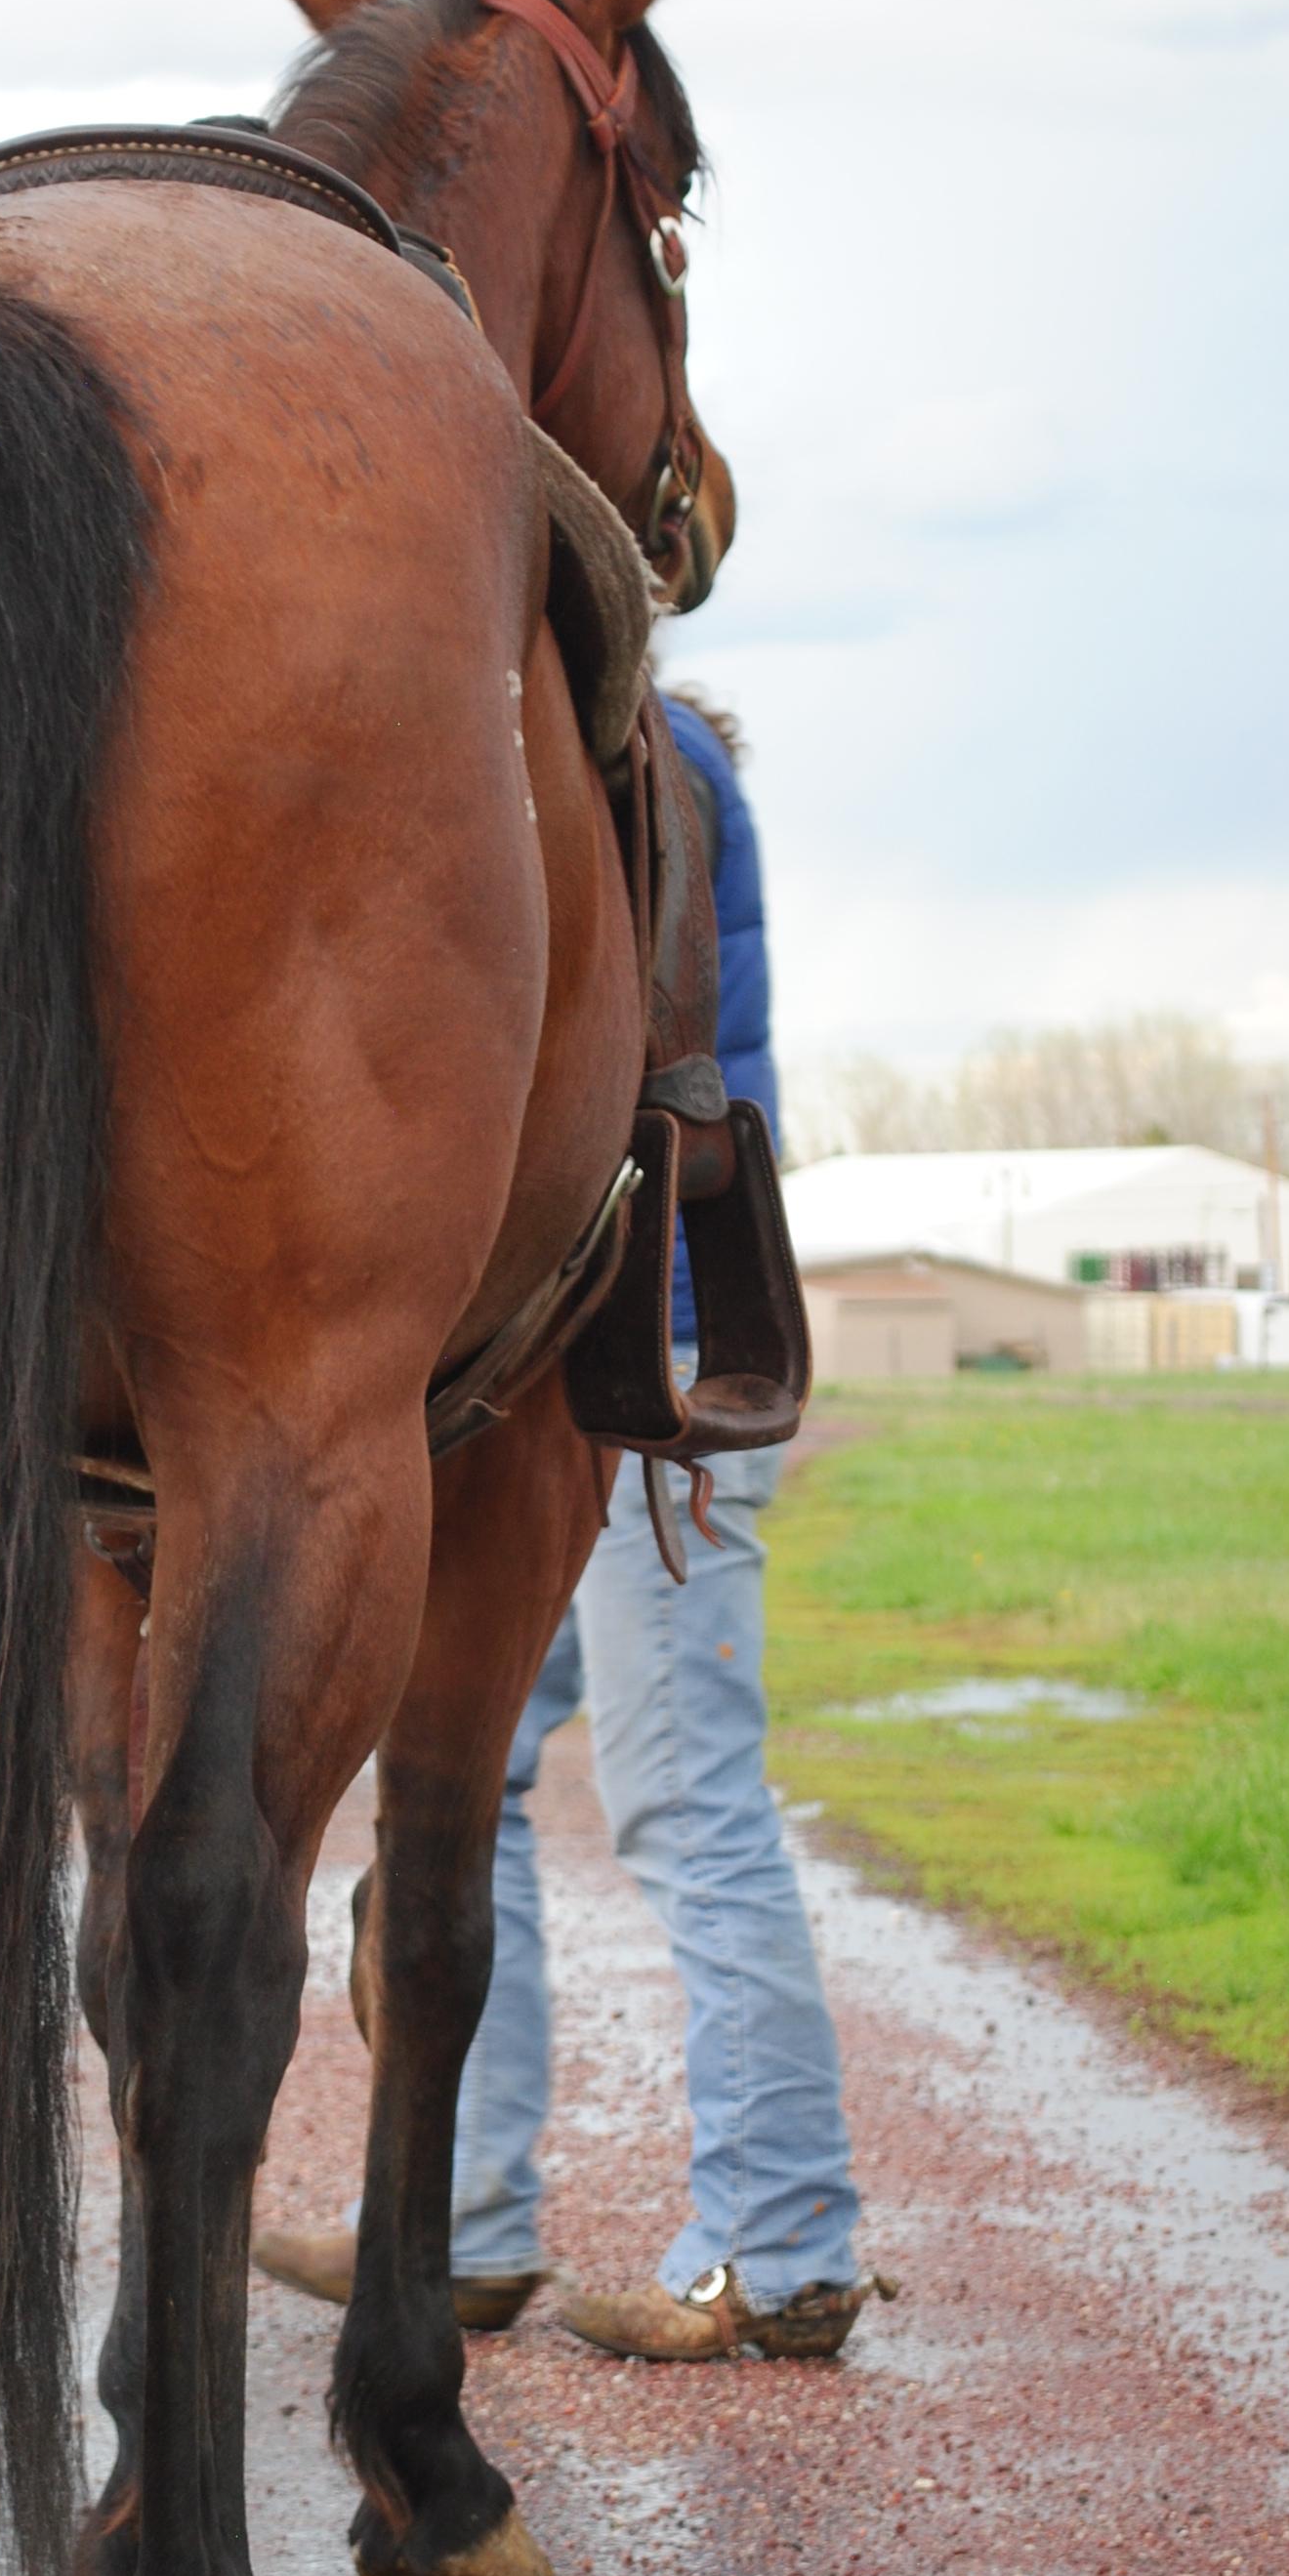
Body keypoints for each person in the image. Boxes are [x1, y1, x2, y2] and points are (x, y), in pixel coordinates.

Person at [255, 689, 877, 2361]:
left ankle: (787, 2243)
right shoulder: (619, 743)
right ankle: (460, 2224)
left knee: (687, 1805)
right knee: (474, 1788)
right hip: (568, 1364)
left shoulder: (636, 754)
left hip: (641, 1361)